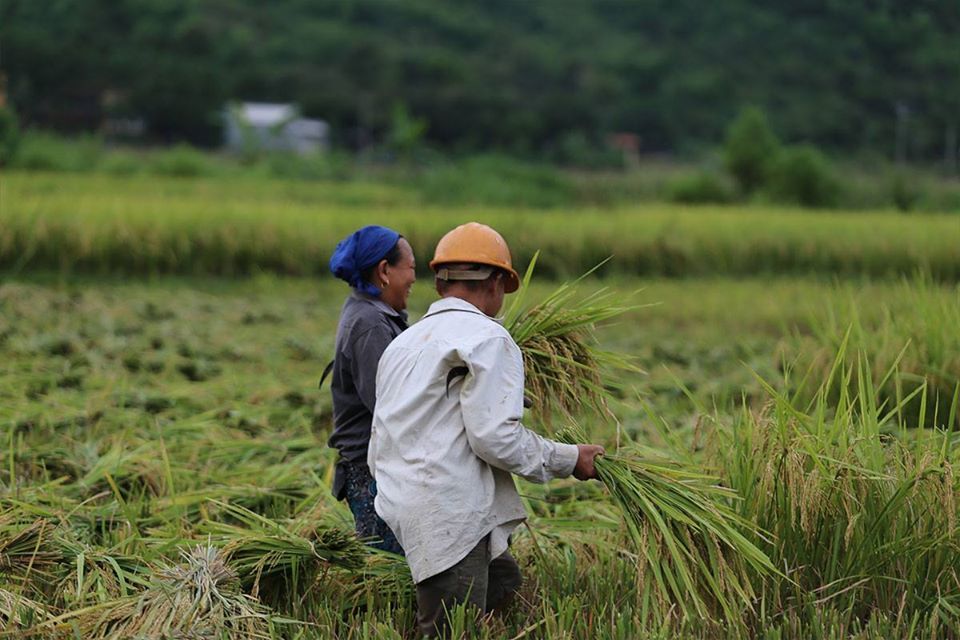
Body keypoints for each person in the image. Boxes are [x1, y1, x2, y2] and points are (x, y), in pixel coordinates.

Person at [368, 222, 605, 637]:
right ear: (496, 281)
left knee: (502, 584)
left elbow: (395, 428)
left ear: (441, 282)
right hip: (448, 506)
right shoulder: (489, 338)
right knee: (449, 629)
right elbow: (496, 437)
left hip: (405, 497)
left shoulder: (404, 342)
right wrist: (570, 459)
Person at [326, 225, 416, 554]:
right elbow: (391, 405)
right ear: (384, 271)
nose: (414, 278)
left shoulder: (372, 313)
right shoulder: (370, 324)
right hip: (371, 473)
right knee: (387, 572)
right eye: (411, 267)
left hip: (376, 468)